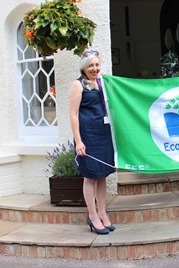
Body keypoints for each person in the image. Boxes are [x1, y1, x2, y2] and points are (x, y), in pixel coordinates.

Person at [69, 49, 116, 234]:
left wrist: (105, 78)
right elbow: (73, 115)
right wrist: (78, 141)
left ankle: (103, 213)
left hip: (103, 134)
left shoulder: (101, 82)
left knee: (102, 174)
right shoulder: (77, 85)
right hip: (88, 136)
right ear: (84, 67)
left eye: (97, 65)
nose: (94, 68)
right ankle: (93, 216)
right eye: (91, 65)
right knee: (90, 176)